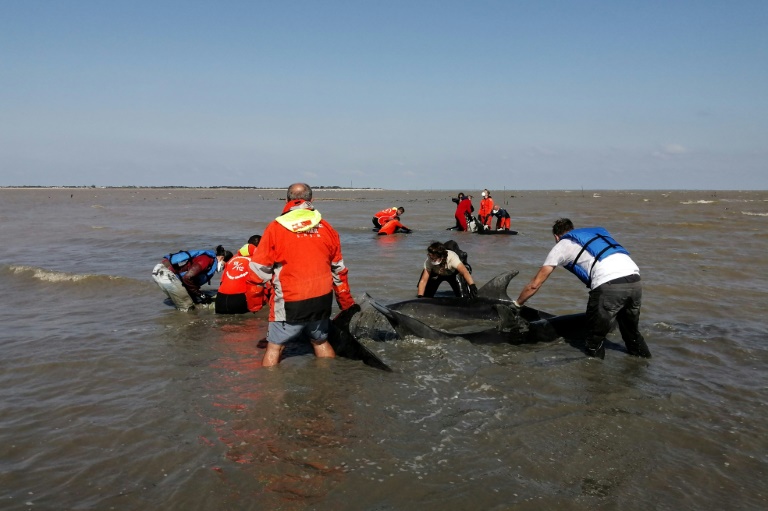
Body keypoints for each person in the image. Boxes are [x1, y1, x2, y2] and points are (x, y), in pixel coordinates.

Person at [249, 183, 356, 367]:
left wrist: (255, 303)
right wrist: (345, 303)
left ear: (287, 200)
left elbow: (259, 270)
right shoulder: (327, 227)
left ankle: (270, 392)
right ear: (311, 200)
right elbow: (339, 270)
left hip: (291, 299)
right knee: (320, 341)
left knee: (275, 347)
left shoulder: (276, 228)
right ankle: (328, 384)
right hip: (322, 298)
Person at [513, 218, 651, 359]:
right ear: (572, 230)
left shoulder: (561, 246)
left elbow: (535, 284)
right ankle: (645, 367)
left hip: (608, 284)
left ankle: (594, 378)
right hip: (635, 280)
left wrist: (517, 304)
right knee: (632, 334)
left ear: (556, 237)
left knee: (594, 339)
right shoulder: (593, 236)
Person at [152, 245, 231, 311]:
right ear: (221, 258)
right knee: (188, 307)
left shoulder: (210, 261)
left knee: (188, 300)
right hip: (165, 273)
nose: (223, 269)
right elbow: (187, 278)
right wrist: (201, 295)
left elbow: (190, 281)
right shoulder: (206, 260)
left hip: (161, 273)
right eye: (225, 265)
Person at [215, 234, 265, 314]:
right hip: (239, 302)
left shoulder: (233, 258)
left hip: (220, 302)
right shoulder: (258, 259)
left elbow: (222, 282)